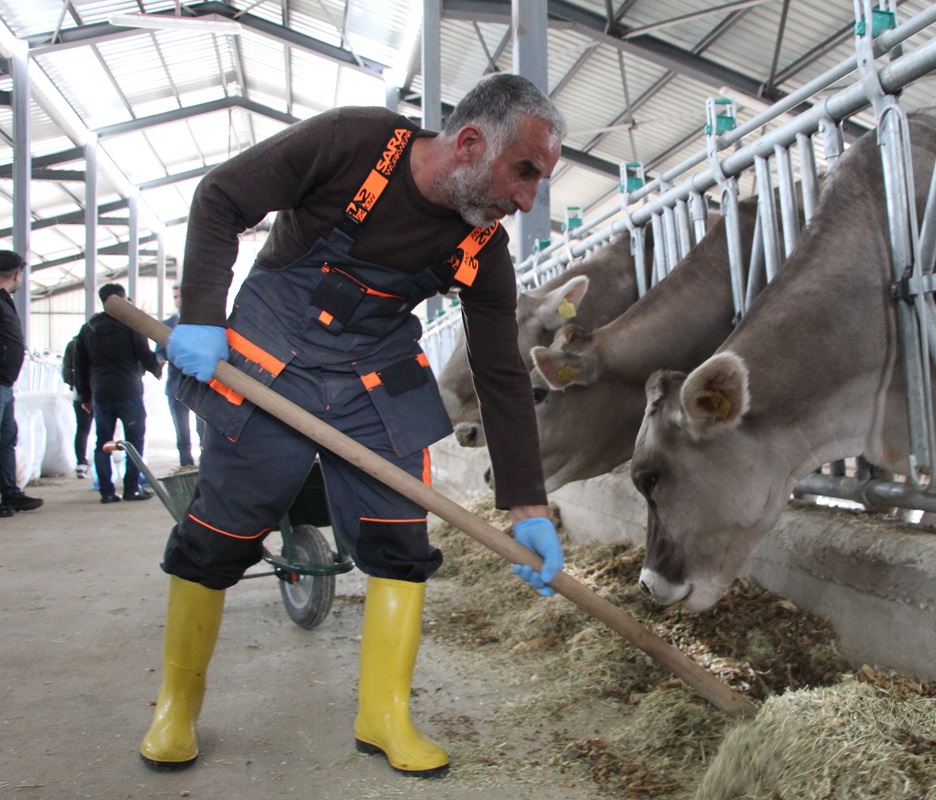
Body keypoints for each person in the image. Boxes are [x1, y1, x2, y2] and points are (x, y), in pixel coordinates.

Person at [140, 74, 568, 777]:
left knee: (401, 537)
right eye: (523, 172)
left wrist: (528, 503)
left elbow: (500, 376)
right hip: (272, 346)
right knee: (222, 531)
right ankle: (175, 706)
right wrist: (201, 314)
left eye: (538, 181)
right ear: (467, 143)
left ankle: (385, 715)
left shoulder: (483, 248)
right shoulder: (352, 143)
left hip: (375, 366)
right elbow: (220, 198)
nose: (526, 200)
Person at [74, 283, 162, 503]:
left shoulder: (88, 328)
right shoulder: (131, 326)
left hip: (102, 394)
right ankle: (132, 488)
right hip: (129, 392)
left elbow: (80, 365)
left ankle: (107, 491)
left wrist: (85, 396)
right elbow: (144, 354)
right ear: (122, 300)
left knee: (103, 442)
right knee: (134, 441)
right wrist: (157, 369)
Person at [0, 251, 43, 516]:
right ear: (17, 274)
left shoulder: (5, 301)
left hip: (5, 384)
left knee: (6, 441)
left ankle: (10, 494)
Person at [155, 283, 205, 467]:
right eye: (175, 297)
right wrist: (160, 360)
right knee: (182, 433)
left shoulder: (203, 324)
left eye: (181, 296)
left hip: (200, 385)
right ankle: (186, 468)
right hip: (176, 387)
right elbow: (159, 350)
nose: (178, 300)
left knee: (204, 431)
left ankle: (206, 467)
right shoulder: (166, 325)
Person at [61, 335, 93, 478]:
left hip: (79, 393)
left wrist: (74, 385)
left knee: (82, 429)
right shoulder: (101, 341)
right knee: (105, 429)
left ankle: (81, 463)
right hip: (101, 391)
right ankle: (103, 462)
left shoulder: (73, 344)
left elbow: (66, 370)